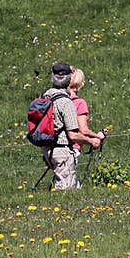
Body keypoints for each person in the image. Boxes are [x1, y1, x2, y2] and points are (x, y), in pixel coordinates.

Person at [41, 62, 101, 190]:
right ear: (68, 79)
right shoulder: (66, 102)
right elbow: (73, 134)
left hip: (47, 148)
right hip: (62, 149)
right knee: (66, 191)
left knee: (72, 187)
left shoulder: (45, 96)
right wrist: (91, 141)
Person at [68, 66, 107, 157]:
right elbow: (83, 130)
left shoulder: (57, 100)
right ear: (80, 84)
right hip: (71, 148)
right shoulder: (79, 103)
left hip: (52, 148)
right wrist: (98, 137)